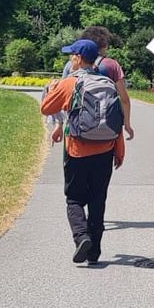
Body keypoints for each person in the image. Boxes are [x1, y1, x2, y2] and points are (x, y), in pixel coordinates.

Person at [38, 39, 126, 265]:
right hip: (105, 149)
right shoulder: (107, 82)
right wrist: (119, 150)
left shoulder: (70, 83)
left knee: (75, 199)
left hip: (77, 150)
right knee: (98, 199)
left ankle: (81, 237)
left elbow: (46, 108)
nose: (70, 59)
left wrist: (52, 89)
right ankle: (94, 252)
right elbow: (116, 118)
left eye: (71, 55)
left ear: (78, 58)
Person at [48, 26, 135, 146]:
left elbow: (62, 97)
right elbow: (124, 100)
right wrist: (127, 124)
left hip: (77, 132)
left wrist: (59, 124)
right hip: (107, 132)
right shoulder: (112, 65)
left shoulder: (72, 64)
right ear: (104, 46)